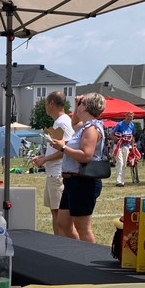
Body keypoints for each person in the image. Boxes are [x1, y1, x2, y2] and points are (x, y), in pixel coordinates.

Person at [56, 92, 107, 243]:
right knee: (63, 223)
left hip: (83, 181)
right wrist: (76, 104)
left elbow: (86, 156)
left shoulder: (91, 128)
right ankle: (78, 251)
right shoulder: (85, 126)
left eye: (81, 103)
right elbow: (74, 124)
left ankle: (88, 257)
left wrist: (63, 147)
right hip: (72, 181)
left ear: (85, 107)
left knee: (82, 227)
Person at [29, 90, 75, 236]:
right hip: (53, 173)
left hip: (58, 174)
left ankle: (65, 245)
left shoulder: (62, 122)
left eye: (45, 104)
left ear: (52, 103)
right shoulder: (59, 122)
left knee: (60, 216)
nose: (45, 107)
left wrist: (45, 159)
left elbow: (65, 149)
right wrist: (44, 159)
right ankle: (58, 242)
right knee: (55, 214)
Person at [112, 111, 135, 187]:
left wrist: (133, 148)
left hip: (126, 146)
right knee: (120, 162)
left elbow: (132, 137)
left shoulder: (132, 125)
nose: (129, 118)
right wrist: (118, 139)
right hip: (119, 145)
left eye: (131, 117)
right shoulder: (120, 124)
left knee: (124, 164)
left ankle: (122, 181)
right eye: (128, 117)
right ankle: (118, 181)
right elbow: (111, 135)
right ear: (125, 116)